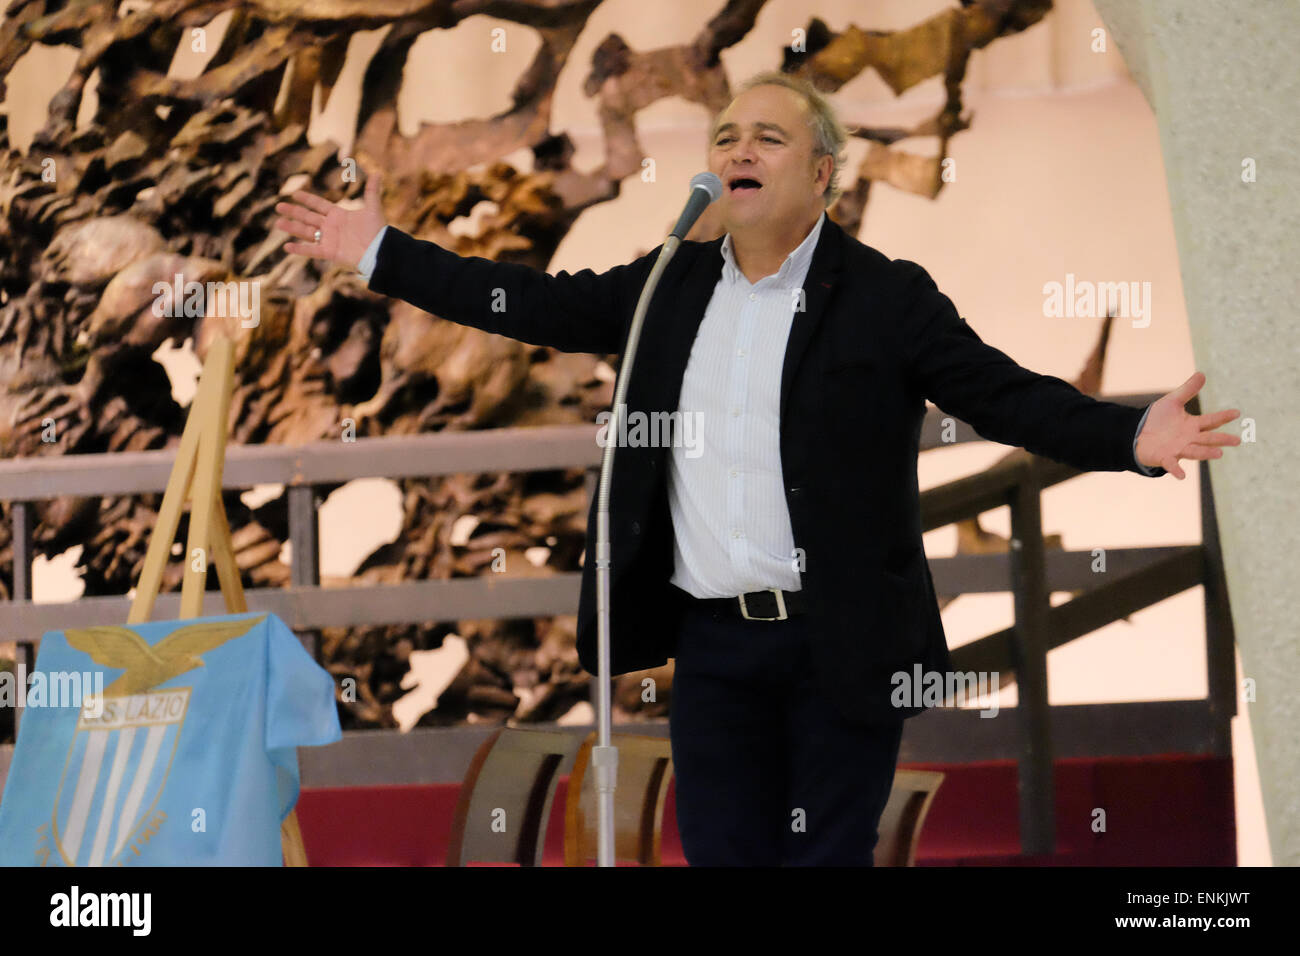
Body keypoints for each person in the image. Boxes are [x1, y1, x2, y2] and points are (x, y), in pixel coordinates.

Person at [275, 71, 1241, 866]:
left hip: (842, 646)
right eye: (727, 135)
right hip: (715, 650)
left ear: (823, 172)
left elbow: (1005, 395)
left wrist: (1129, 439)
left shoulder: (885, 299)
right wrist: (382, 254)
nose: (738, 150)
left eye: (768, 138)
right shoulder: (669, 285)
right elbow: (526, 302)